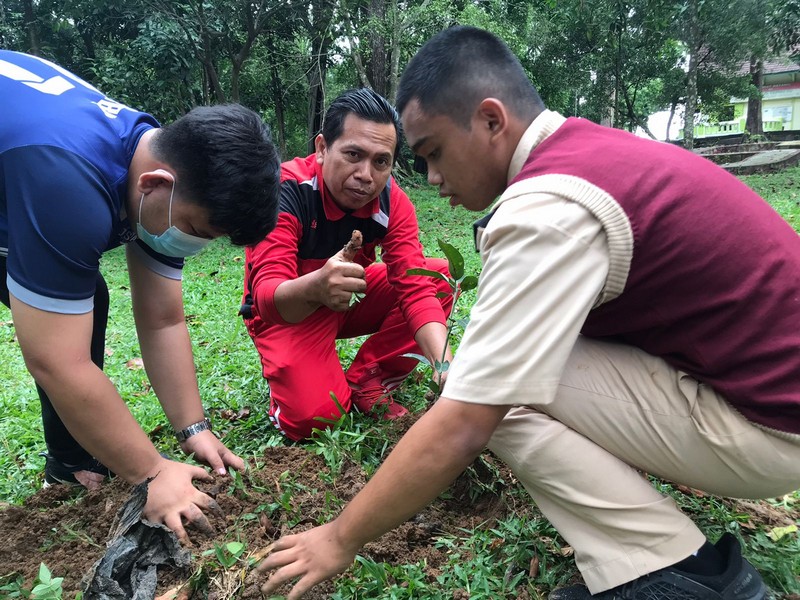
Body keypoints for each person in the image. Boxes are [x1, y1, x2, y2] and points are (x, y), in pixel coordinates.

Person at [255, 26, 800, 600]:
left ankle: (675, 570)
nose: (432, 177)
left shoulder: (545, 208)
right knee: (490, 375)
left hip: (768, 425)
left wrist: (341, 537)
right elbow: (266, 292)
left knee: (494, 395)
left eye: (431, 153)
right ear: (321, 150)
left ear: (492, 121)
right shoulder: (588, 152)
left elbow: (465, 418)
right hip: (761, 390)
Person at [0, 50, 281, 543]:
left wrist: (193, 429)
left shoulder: (148, 160)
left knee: (84, 298)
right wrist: (152, 473)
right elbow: (55, 361)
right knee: (62, 325)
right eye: (195, 229)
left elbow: (162, 320)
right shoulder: (70, 183)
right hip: (32, 162)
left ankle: (69, 464)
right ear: (156, 185)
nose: (193, 246)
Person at [240, 87, 452, 442]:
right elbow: (265, 298)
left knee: (437, 277)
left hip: (346, 299)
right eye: (354, 154)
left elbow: (414, 286)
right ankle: (297, 385)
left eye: (381, 162)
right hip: (287, 311)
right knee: (317, 419)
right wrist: (317, 286)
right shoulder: (284, 190)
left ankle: (369, 378)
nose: (366, 174)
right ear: (322, 149)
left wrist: (445, 368)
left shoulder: (391, 202)